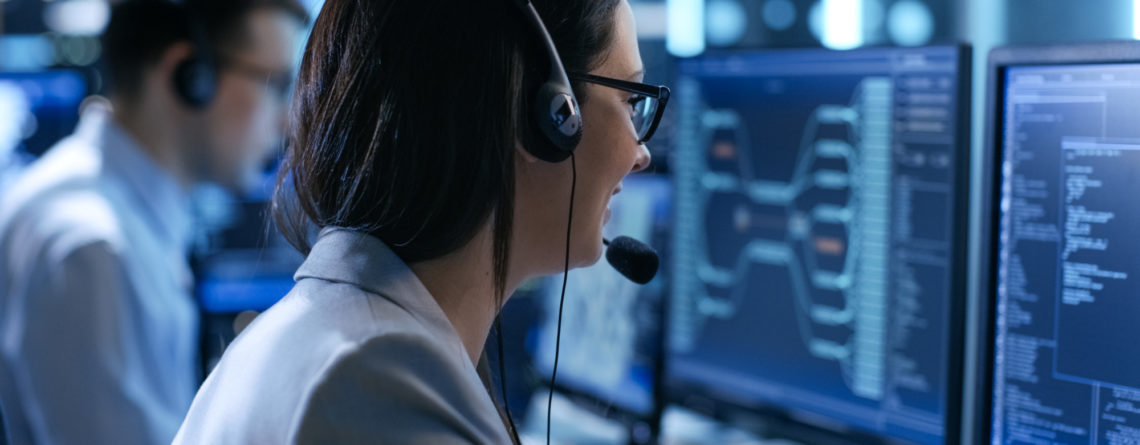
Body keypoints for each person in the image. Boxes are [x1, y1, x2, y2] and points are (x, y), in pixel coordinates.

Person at [173, 0, 669, 443]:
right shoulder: (382, 394)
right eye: (631, 102)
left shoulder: (339, 344)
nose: (641, 153)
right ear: (542, 115)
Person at [0, 1, 308, 443]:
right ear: (189, 76)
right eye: (276, 84)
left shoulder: (104, 212)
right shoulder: (94, 253)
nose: (284, 120)